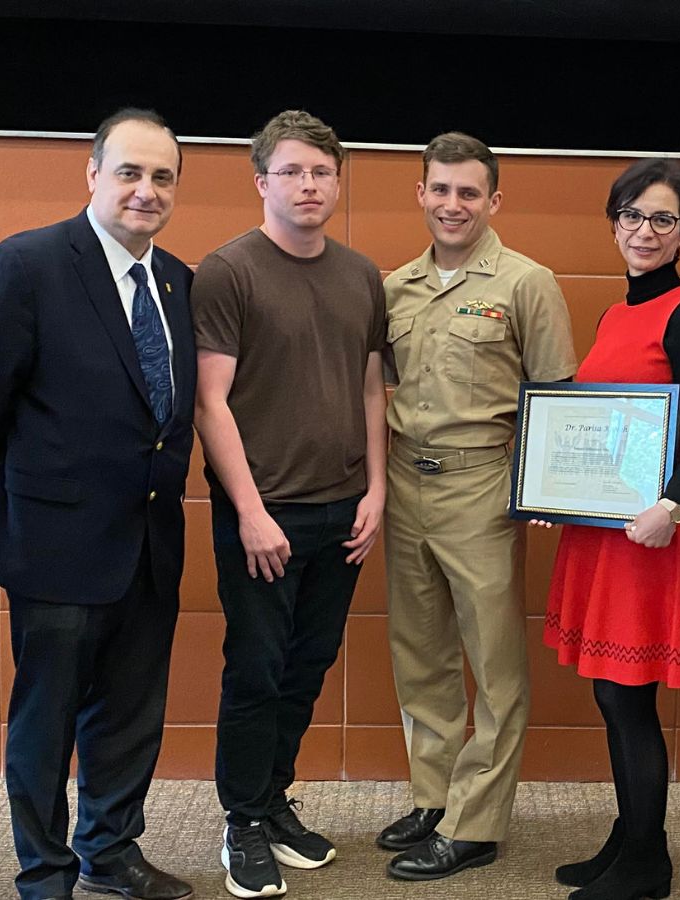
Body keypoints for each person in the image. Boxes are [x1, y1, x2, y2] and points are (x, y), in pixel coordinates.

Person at [0, 109, 197, 900]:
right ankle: (46, 870)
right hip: (54, 544)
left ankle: (110, 850)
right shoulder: (26, 265)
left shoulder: (178, 281)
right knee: (47, 721)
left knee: (130, 716)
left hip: (151, 541)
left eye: (162, 176)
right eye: (129, 171)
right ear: (92, 174)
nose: (145, 190)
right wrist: (17, 509)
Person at [191, 109, 388, 900]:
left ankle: (272, 799)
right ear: (262, 181)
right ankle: (241, 819)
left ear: (337, 182)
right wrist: (249, 511)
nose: (309, 186)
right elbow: (211, 402)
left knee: (308, 667)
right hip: (262, 515)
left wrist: (378, 488)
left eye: (322, 172)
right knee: (257, 670)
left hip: (345, 509)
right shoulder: (228, 270)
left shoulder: (361, 274)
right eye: (294, 172)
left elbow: (372, 385)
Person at [375, 132, 578, 882]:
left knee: (493, 662)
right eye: (440, 189)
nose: (452, 204)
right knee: (419, 652)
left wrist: (542, 490)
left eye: (468, 192)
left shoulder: (528, 282)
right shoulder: (396, 288)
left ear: (493, 200)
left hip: (482, 486)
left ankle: (478, 823)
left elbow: (555, 395)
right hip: (405, 484)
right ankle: (435, 799)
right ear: (421, 194)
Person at [539, 158, 680, 900]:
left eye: (662, 219)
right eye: (630, 216)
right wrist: (561, 489)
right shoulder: (617, 314)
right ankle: (629, 838)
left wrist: (672, 506)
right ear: (613, 221)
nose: (643, 232)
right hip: (604, 533)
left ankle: (648, 864)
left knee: (630, 697)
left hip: (652, 537)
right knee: (611, 695)